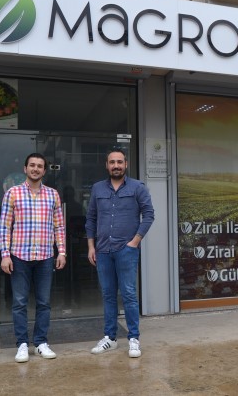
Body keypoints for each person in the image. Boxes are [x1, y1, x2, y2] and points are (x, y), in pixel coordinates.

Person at [86, 147, 155, 358]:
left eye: (119, 162)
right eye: (112, 162)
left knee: (129, 294)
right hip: (103, 250)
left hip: (126, 250)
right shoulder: (98, 188)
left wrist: (135, 242)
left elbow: (149, 215)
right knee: (108, 295)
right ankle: (110, 338)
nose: (116, 165)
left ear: (126, 164)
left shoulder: (137, 187)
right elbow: (91, 219)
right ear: (107, 165)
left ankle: (134, 338)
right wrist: (91, 246)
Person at [0, 153, 67, 363]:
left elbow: (59, 226)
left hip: (45, 257)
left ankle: (40, 343)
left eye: (39, 166)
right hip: (19, 256)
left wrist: (62, 251)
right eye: (32, 165)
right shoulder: (13, 193)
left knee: (44, 302)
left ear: (44, 171)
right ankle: (21, 344)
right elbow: (4, 227)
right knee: (19, 302)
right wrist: (5, 255)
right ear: (25, 168)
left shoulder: (53, 195)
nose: (35, 169)